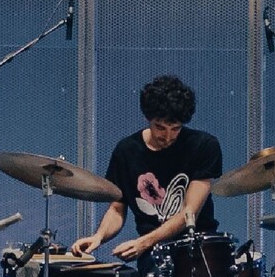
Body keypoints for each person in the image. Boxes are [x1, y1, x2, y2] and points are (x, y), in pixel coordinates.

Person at [71, 75, 224, 262]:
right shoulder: (126, 151)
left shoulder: (204, 146)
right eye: (160, 127)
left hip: (198, 250)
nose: (167, 137)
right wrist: (99, 236)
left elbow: (189, 212)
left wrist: (142, 243)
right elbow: (117, 208)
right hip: (154, 255)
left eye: (175, 128)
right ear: (147, 118)